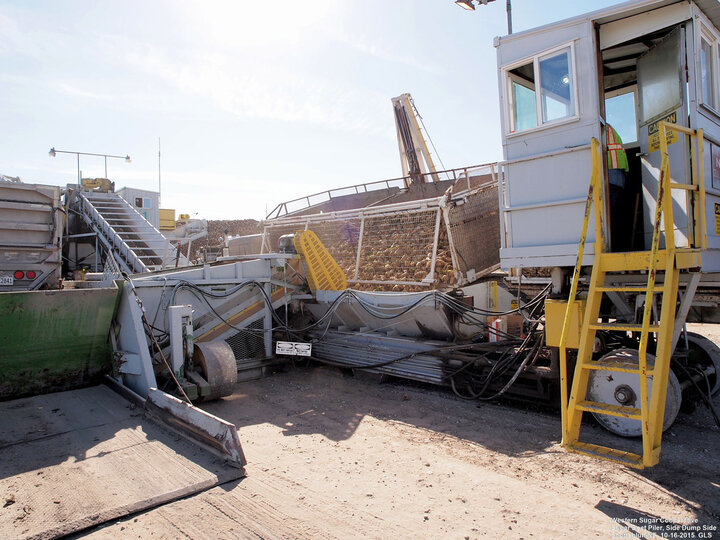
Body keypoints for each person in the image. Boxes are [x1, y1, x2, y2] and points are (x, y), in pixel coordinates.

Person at [607, 124, 630, 252]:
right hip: (619, 177)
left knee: (611, 217)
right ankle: (621, 249)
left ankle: (615, 249)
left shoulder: (602, 128)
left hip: (610, 174)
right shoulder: (611, 130)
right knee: (618, 216)